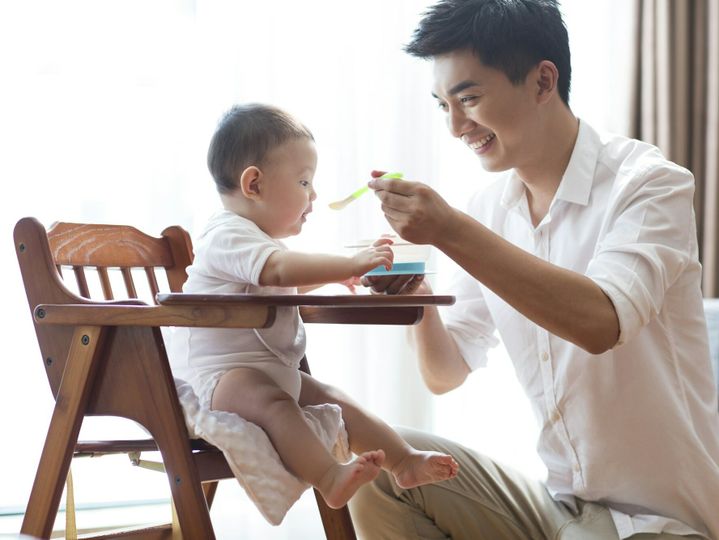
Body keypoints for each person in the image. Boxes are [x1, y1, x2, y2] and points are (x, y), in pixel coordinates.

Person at [349, 0, 719, 539]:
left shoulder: (648, 184)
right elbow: (445, 372)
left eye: (469, 99)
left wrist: (450, 230)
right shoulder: (487, 210)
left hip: (664, 522)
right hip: (561, 509)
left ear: (544, 81)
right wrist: (417, 295)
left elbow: (603, 321)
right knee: (383, 470)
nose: (455, 126)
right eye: (442, 105)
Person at [170, 103, 459, 511]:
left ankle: (404, 460)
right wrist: (351, 263)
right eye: (304, 181)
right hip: (220, 381)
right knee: (274, 404)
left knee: (333, 398)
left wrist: (337, 277)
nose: (314, 195)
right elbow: (278, 271)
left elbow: (286, 278)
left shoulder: (257, 242)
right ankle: (330, 477)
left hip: (269, 372)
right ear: (253, 184)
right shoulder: (226, 235)